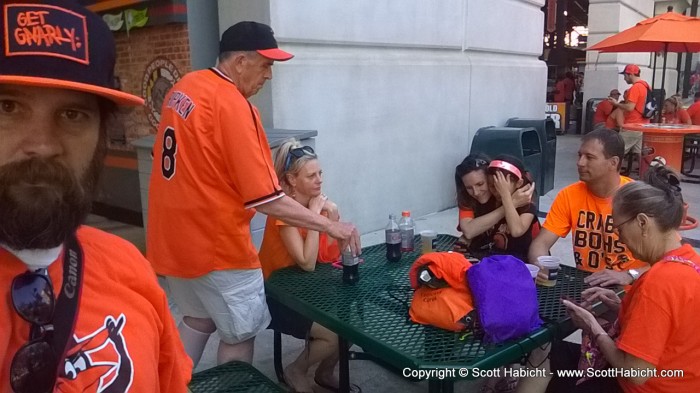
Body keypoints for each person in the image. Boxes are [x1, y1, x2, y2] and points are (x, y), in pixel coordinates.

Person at [0, 1, 192, 392]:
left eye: (73, 115)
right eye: (8, 107)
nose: (42, 145)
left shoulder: (128, 268)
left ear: (102, 136)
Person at [146, 21, 361, 368]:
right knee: (239, 335)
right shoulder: (233, 105)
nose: (269, 77)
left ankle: (167, 385)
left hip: (172, 240)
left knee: (199, 319)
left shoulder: (184, 87)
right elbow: (267, 199)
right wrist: (332, 227)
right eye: (266, 65)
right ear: (241, 61)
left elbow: (163, 157)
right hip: (217, 247)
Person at [516, 129, 649, 393]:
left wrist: (629, 274)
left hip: (633, 301)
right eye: (579, 155)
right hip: (587, 290)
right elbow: (541, 243)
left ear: (613, 163)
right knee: (537, 338)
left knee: (619, 373)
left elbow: (672, 259)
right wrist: (542, 262)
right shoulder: (570, 195)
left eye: (589, 157)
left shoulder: (637, 198)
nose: (579, 162)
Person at [559, 166, 700, 392]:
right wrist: (619, 306)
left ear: (642, 223)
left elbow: (635, 372)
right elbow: (670, 328)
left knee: (547, 363)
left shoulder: (660, 281)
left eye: (620, 230)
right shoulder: (692, 261)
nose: (621, 239)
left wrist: (593, 326)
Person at [259, 140, 352, 393]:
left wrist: (331, 216)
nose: (319, 180)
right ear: (291, 179)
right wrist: (315, 215)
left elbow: (326, 257)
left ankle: (324, 372)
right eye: (311, 175)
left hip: (306, 289)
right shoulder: (284, 213)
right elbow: (307, 263)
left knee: (352, 323)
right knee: (333, 335)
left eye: (320, 173)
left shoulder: (316, 204)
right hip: (277, 295)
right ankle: (296, 370)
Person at [453, 154, 534, 258]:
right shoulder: (468, 198)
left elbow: (517, 230)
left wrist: (507, 198)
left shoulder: (521, 198)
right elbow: (469, 231)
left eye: (480, 184)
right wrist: (511, 203)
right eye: (469, 188)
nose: (476, 192)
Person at [485, 155, 542, 262]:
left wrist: (505, 195)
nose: (495, 191)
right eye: (492, 186)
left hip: (520, 262)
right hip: (494, 259)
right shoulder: (490, 201)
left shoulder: (527, 207)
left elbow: (516, 230)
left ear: (519, 183)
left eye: (501, 187)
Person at [611, 64, 649, 155]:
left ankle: (611, 169)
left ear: (630, 74)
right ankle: (646, 169)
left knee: (616, 152)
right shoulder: (646, 86)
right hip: (643, 125)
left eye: (625, 75)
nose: (624, 78)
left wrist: (616, 104)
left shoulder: (635, 88)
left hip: (632, 125)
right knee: (640, 154)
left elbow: (630, 107)